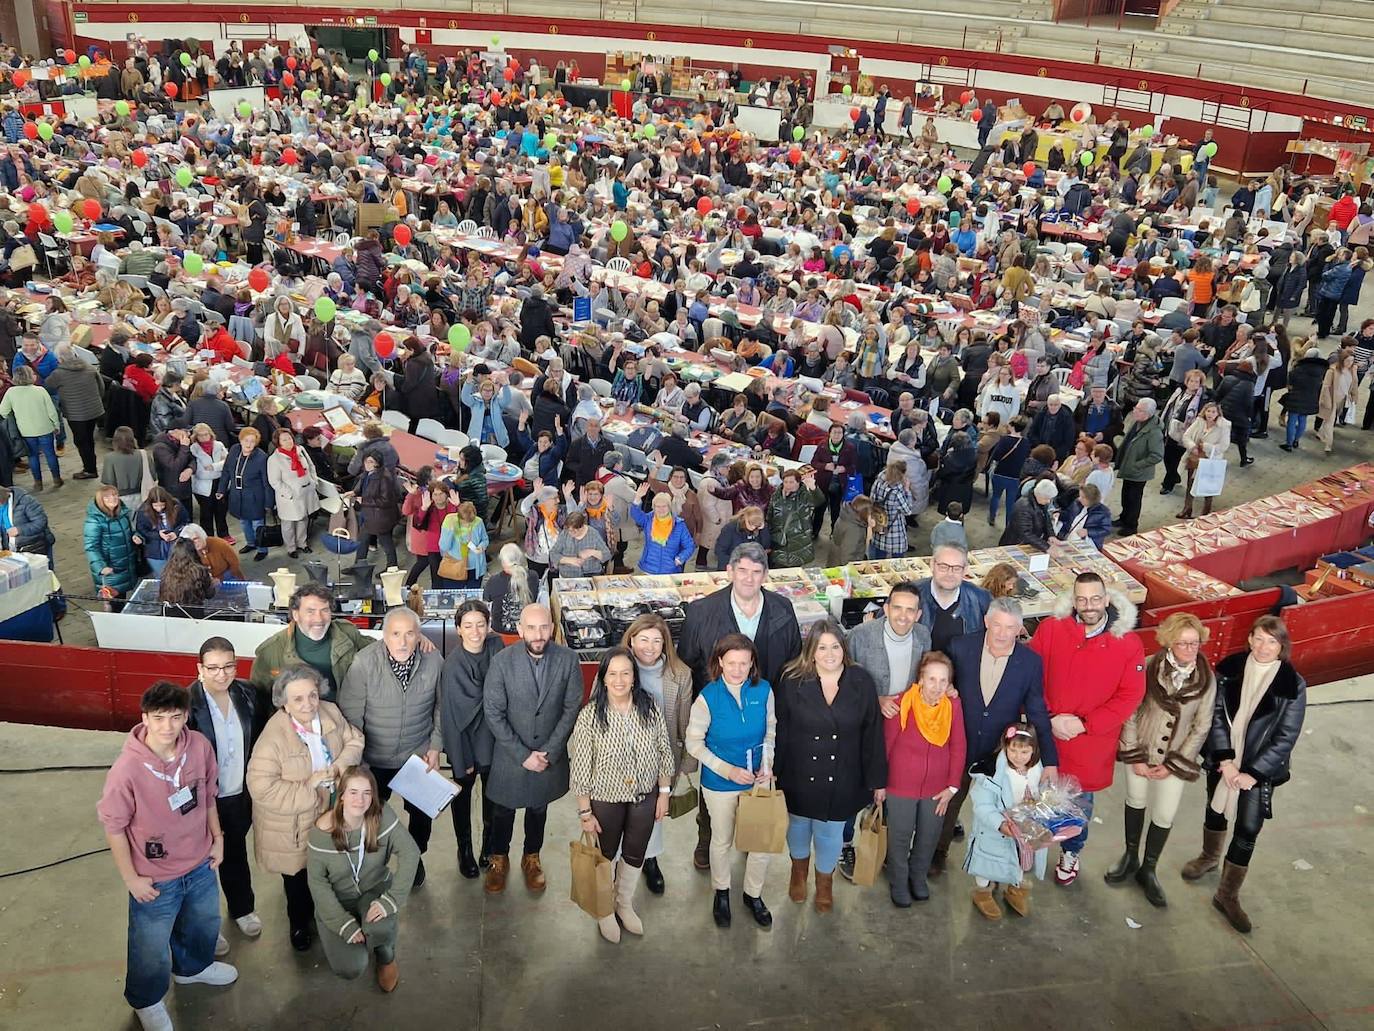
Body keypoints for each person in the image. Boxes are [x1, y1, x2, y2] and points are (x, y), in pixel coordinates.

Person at [97, 682, 239, 1031]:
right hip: (156, 876)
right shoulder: (127, 770)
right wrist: (131, 878)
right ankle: (146, 1000)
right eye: (158, 718)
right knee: (150, 945)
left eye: (175, 717)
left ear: (186, 716)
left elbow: (208, 795)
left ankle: (193, 968)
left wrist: (217, 839)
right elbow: (114, 827)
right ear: (145, 718)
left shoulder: (199, 747)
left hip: (200, 862)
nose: (167, 727)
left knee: (204, 922)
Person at [1179, 616, 1306, 934]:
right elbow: (1214, 716)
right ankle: (1209, 857)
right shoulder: (1228, 670)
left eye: (1272, 641)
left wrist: (1252, 773)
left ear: (1281, 646)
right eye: (1259, 639)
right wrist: (1226, 761)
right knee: (1215, 810)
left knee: (1248, 828)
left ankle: (1227, 894)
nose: (1264, 647)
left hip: (1259, 772)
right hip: (1225, 761)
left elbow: (1286, 737)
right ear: (1249, 639)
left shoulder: (1292, 684)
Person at [1030, 572, 1145, 886]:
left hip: (1090, 743)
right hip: (1048, 734)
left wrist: (1084, 724)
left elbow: (1130, 695)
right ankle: (1029, 846)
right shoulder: (1051, 629)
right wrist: (1049, 717)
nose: (1089, 605)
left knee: (1079, 805)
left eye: (1095, 599)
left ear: (1106, 599)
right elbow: (1031, 674)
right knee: (1035, 794)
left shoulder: (1128, 643)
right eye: (1081, 599)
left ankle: (1071, 851)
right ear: (1073, 600)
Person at [932, 597, 1058, 876]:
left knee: (1000, 808)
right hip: (959, 744)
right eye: (997, 625)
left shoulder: (1030, 663)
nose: (1002, 633)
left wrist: (1049, 761)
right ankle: (937, 852)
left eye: (1010, 627)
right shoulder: (960, 647)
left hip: (999, 752)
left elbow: (1037, 711)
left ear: (1020, 629)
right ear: (986, 621)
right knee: (948, 802)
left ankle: (1000, 865)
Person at [246, 665, 364, 953]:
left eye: (312, 695)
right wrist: (310, 788)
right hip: (294, 824)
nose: (308, 704)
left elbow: (355, 739)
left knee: (328, 871)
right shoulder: (272, 738)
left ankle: (329, 917)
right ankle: (299, 923)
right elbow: (261, 788)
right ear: (284, 703)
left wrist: (339, 766)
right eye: (297, 699)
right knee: (298, 879)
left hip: (331, 811)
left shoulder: (329, 712)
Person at [1106, 613, 1216, 909]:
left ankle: (1149, 869)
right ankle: (1130, 857)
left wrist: (1174, 763)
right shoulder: (1147, 666)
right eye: (1182, 643)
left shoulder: (1207, 678)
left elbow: (1202, 725)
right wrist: (1134, 753)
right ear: (1169, 642)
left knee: (1165, 814)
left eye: (1194, 643)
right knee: (1135, 800)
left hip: (1175, 758)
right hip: (1142, 749)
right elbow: (1130, 710)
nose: (1190, 649)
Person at [775, 620, 886, 913]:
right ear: (811, 651)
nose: (829, 654)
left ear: (844, 649)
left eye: (835, 646)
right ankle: (798, 873)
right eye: (822, 647)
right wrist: (772, 770)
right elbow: (780, 729)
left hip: (844, 774)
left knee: (830, 833)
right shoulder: (792, 679)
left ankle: (824, 883)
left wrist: (877, 780)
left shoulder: (861, 681)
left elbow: (873, 733)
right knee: (798, 828)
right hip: (798, 771)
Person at [569, 646, 675, 942]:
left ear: (634, 677)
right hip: (606, 798)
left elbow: (664, 750)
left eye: (625, 673)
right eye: (613, 674)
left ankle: (623, 903)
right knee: (605, 856)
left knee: (635, 852)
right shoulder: (590, 716)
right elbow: (580, 768)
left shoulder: (649, 706)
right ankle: (604, 910)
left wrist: (664, 793)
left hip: (645, 796)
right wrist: (585, 812)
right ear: (603, 678)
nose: (619, 680)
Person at [481, 604, 585, 895]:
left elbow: (571, 708)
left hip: (549, 754)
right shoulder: (502, 662)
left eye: (543, 627)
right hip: (511, 755)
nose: (538, 635)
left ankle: (531, 857)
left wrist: (549, 751)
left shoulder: (567, 660)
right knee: (502, 810)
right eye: (531, 628)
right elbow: (493, 713)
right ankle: (498, 858)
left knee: (538, 809)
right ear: (519, 629)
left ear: (552, 628)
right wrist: (523, 755)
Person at [339, 606, 444, 889]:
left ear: (419, 635)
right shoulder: (364, 663)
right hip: (374, 758)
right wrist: (359, 765)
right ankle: (372, 864)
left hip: (416, 754)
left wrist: (435, 746)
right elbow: (352, 716)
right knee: (370, 815)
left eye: (410, 634)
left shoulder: (433, 660)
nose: (403, 642)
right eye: (395, 634)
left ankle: (414, 857)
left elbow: (441, 707)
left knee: (422, 815)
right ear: (384, 636)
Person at [685, 632, 777, 929]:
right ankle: (721, 891)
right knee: (721, 840)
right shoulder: (707, 698)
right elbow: (694, 743)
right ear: (720, 662)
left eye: (744, 663)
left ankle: (753, 894)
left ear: (752, 664)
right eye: (732, 662)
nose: (738, 669)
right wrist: (727, 770)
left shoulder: (764, 691)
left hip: (758, 782)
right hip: (720, 784)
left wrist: (767, 764)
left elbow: (771, 731)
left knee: (760, 843)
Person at [306, 765, 419, 990]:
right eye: (353, 792)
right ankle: (350, 931)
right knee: (351, 967)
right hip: (339, 900)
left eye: (367, 793)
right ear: (341, 796)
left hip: (374, 888)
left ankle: (386, 955)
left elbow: (410, 852)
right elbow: (317, 883)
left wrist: (391, 900)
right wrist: (342, 923)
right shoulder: (322, 832)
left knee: (381, 929)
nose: (360, 800)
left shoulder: (382, 816)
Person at [185, 637, 266, 949]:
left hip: (238, 794)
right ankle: (206, 925)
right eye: (213, 668)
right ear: (200, 669)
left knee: (234, 852)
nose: (221, 674)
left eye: (228, 666)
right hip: (204, 798)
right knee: (201, 864)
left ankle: (242, 908)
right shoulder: (186, 703)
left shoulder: (248, 694)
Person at [619, 613, 695, 896]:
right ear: (631, 640)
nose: (649, 647)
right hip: (620, 756)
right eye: (643, 640)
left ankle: (649, 859)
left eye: (656, 641)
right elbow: (595, 707)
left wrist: (687, 763)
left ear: (665, 644)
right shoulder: (616, 666)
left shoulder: (680, 674)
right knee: (619, 811)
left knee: (652, 813)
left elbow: (685, 721)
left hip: (659, 761)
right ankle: (620, 861)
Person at [882, 651, 966, 906]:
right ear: (920, 679)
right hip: (899, 785)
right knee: (899, 836)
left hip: (937, 789)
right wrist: (880, 784)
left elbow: (958, 746)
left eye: (943, 680)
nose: (937, 687)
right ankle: (898, 881)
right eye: (931, 679)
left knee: (929, 835)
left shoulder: (953, 706)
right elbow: (885, 746)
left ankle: (917, 876)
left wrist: (952, 786)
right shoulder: (900, 704)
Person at [440, 600, 506, 878]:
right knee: (462, 796)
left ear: (489, 626)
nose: (475, 631)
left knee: (493, 796)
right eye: (468, 626)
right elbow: (450, 717)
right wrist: (459, 758)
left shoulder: (496, 647)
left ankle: (488, 847)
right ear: (458, 629)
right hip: (464, 741)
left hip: (492, 739)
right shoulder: (453, 666)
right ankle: (464, 850)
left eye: (481, 624)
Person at [965, 722, 1047, 920]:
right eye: (1013, 750)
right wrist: (1000, 824)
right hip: (995, 831)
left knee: (1020, 859)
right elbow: (982, 805)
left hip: (1025, 830)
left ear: (1034, 750)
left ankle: (1015, 889)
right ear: (1005, 747)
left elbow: (1044, 795)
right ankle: (982, 892)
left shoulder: (1038, 770)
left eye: (1024, 752)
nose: (1018, 756)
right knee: (987, 863)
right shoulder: (991, 772)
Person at [250, 583, 373, 700]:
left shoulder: (347, 633)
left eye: (324, 610)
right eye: (310, 611)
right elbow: (258, 698)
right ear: (296, 615)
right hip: (299, 714)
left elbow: (378, 651)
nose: (319, 619)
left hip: (346, 711)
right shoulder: (271, 651)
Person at [916, 544, 992, 653]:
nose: (950, 574)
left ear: (965, 570)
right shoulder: (911, 594)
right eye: (943, 566)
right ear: (932, 565)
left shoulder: (981, 599)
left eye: (956, 568)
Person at [0, 364, 61, 490]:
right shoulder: (40, 390)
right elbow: (51, 411)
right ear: (30, 376)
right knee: (50, 454)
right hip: (45, 428)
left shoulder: (11, 392)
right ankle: (56, 479)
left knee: (32, 456)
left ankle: (38, 483)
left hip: (25, 431)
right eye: (33, 373)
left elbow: (3, 412)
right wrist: (56, 425)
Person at [217, 428, 272, 562]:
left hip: (255, 497)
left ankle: (262, 549)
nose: (249, 444)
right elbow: (226, 471)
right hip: (237, 495)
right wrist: (221, 490)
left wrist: (269, 503)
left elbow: (266, 482)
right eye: (246, 440)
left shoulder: (261, 457)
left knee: (257, 525)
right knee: (243, 522)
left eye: (252, 441)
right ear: (240, 440)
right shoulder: (234, 450)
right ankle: (251, 543)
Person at [1113, 398, 1165, 536]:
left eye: (1139, 409)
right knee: (1125, 495)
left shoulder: (1154, 432)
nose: (1134, 411)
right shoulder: (1138, 422)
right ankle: (1124, 518)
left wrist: (1137, 465)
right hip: (1129, 467)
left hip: (1139, 472)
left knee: (1134, 499)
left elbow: (1157, 455)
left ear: (1147, 414)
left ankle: (1131, 526)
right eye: (1135, 408)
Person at [266, 428, 319, 559]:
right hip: (290, 496)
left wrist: (314, 481)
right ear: (278, 442)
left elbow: (311, 466)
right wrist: (289, 493)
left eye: (289, 438)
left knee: (303, 519)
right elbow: (274, 481)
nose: (288, 441)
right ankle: (291, 548)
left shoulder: (301, 450)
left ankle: (302, 543)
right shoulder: (274, 459)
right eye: (284, 440)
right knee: (288, 524)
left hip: (306, 492)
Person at [629, 480, 696, 573]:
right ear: (653, 507)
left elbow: (689, 545)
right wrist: (637, 497)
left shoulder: (679, 525)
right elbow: (635, 514)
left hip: (670, 570)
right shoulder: (648, 520)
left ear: (669, 507)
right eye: (658, 506)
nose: (661, 509)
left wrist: (680, 559)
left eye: (664, 506)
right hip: (649, 568)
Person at [84, 484, 138, 597]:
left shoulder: (123, 513)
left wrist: (136, 536)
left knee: (123, 597)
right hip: (110, 569)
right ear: (101, 500)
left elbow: (130, 531)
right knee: (114, 601)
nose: (112, 499)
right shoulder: (94, 521)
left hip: (126, 566)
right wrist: (100, 567)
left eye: (114, 495)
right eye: (107, 497)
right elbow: (91, 547)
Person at [766, 468, 824, 568]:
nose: (788, 485)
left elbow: (819, 501)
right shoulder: (776, 496)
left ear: (798, 482)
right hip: (779, 542)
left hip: (798, 544)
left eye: (791, 482)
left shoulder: (804, 495)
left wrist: (813, 488)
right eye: (786, 482)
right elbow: (769, 517)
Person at [483, 542, 542, 636]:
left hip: (500, 632)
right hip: (526, 630)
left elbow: (486, 599)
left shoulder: (493, 581)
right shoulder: (533, 576)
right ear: (519, 559)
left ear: (502, 562)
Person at [188, 423, 229, 540]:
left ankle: (224, 534)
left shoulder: (219, 445)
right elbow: (200, 473)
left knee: (221, 511)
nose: (204, 437)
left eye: (206, 434)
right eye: (200, 435)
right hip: (203, 486)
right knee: (206, 513)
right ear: (196, 436)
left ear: (210, 434)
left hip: (220, 483)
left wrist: (213, 467)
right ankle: (207, 537)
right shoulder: (193, 448)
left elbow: (227, 462)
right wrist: (219, 467)